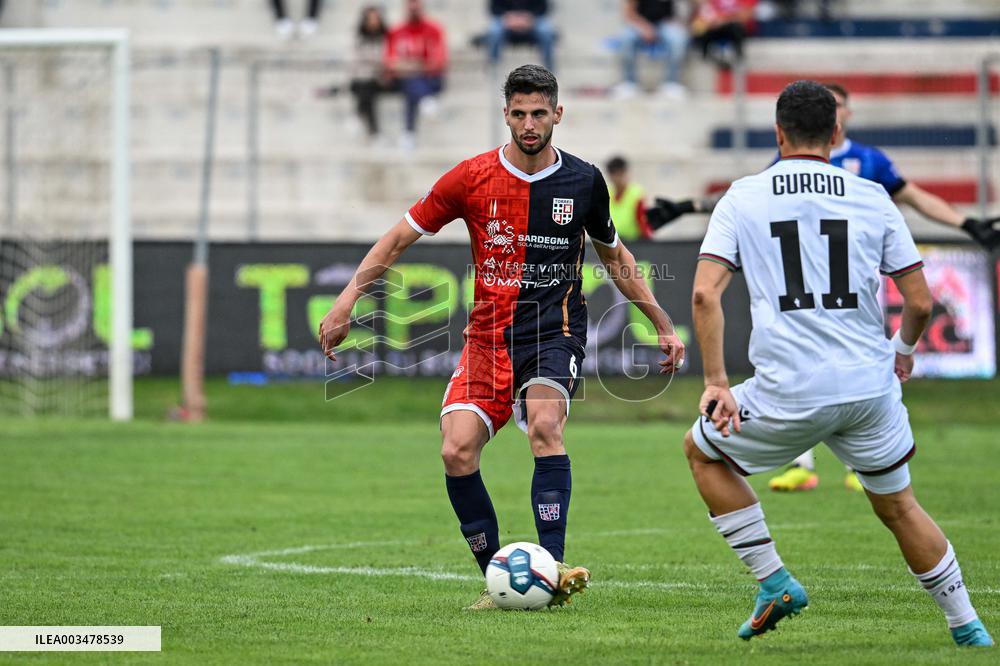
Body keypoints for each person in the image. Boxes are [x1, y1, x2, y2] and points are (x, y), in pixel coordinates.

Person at [319, 64, 685, 610]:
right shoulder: (470, 178)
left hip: (553, 334)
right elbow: (398, 238)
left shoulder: (583, 181)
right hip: (488, 340)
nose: (530, 123)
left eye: (540, 113)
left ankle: (554, 568)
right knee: (456, 450)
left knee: (543, 425)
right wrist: (348, 298)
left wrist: (660, 322)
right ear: (505, 114)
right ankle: (498, 579)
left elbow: (616, 258)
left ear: (558, 113)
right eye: (519, 113)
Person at [682, 80, 993, 646]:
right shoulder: (872, 195)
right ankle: (967, 625)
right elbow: (921, 301)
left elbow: (705, 294)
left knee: (702, 453)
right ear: (837, 133)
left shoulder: (743, 195)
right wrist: (901, 353)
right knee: (899, 506)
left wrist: (717, 382)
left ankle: (773, 580)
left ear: (778, 133)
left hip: (786, 391)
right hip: (868, 389)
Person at [651, 81, 1000, 491]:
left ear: (843, 117)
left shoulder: (870, 164)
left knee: (812, 372)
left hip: (839, 300)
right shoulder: (795, 163)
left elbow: (915, 197)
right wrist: (689, 207)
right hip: (811, 306)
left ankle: (854, 465)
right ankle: (810, 463)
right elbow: (752, 197)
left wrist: (964, 223)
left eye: (840, 103)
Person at [385, 0, 448, 150]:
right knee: (410, 82)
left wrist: (410, 65)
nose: (414, 12)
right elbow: (391, 63)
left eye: (416, 8)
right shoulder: (397, 31)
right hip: (408, 79)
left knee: (411, 84)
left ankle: (408, 133)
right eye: (410, 9)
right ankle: (425, 101)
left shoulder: (434, 29)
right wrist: (418, 65)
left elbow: (439, 62)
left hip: (431, 79)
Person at [612, 0, 690, 99]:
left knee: (678, 39)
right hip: (640, 22)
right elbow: (629, 13)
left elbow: (677, 13)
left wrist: (673, 23)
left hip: (664, 24)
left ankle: (671, 84)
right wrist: (644, 27)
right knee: (626, 38)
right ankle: (629, 84)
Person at [486, 0, 557, 73]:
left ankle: (549, 67)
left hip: (533, 18)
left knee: (545, 31)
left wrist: (529, 18)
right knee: (494, 32)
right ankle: (493, 66)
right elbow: (494, 8)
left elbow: (543, 8)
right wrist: (509, 19)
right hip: (505, 19)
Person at [689, 0, 757, 67]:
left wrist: (723, 20)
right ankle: (705, 58)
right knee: (701, 30)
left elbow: (745, 15)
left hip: (733, 28)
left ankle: (739, 58)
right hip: (712, 27)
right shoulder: (710, 3)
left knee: (736, 28)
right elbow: (699, 19)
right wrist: (711, 22)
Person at [606, 156, 653, 241]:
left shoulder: (636, 194)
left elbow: (642, 221)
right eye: (615, 175)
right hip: (611, 243)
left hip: (633, 243)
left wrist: (648, 240)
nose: (618, 179)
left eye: (620, 174)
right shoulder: (606, 193)